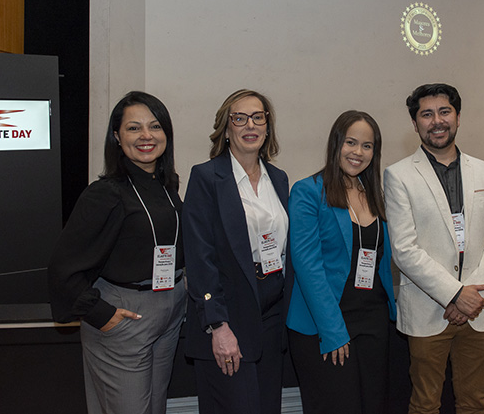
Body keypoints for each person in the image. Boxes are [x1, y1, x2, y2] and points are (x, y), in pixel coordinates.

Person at [49, 91, 185, 414]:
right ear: (116, 136)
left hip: (168, 308)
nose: (146, 136)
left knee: (155, 407)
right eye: (134, 128)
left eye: (155, 126)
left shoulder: (166, 185)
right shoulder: (105, 194)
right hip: (126, 314)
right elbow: (62, 267)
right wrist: (100, 314)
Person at [384, 83, 484, 414]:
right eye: (427, 114)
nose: (437, 121)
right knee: (425, 404)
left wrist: (471, 297)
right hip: (428, 310)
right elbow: (404, 249)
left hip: (479, 310)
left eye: (444, 112)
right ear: (415, 123)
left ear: (458, 117)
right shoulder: (398, 176)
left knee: (475, 403)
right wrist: (455, 294)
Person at [183, 89, 290, 414]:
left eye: (258, 117)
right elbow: (200, 258)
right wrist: (218, 326)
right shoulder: (206, 177)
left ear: (268, 126)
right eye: (240, 118)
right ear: (226, 128)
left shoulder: (278, 179)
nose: (250, 125)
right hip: (228, 317)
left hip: (271, 315)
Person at [286, 110, 397, 414]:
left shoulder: (375, 195)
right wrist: (333, 331)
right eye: (351, 142)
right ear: (336, 143)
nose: (358, 152)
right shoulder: (308, 192)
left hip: (373, 320)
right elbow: (308, 267)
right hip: (325, 322)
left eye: (367, 145)